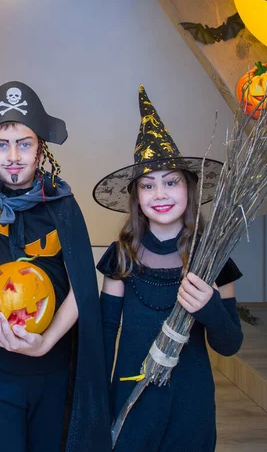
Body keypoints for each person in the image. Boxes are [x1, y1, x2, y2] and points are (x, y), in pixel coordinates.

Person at [0, 4, 110, 452]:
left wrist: (46, 342)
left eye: (23, 144)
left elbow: (82, 288)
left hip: (52, 367)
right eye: (1, 144)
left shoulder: (63, 204)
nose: (12, 155)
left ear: (40, 149)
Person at [93, 85, 244, 452]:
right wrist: (98, 398)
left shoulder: (213, 259)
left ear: (189, 188)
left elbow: (229, 344)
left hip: (189, 404)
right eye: (148, 185)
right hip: (132, 394)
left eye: (171, 181)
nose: (160, 194)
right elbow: (105, 330)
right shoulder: (122, 255)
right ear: (137, 198)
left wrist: (209, 307)